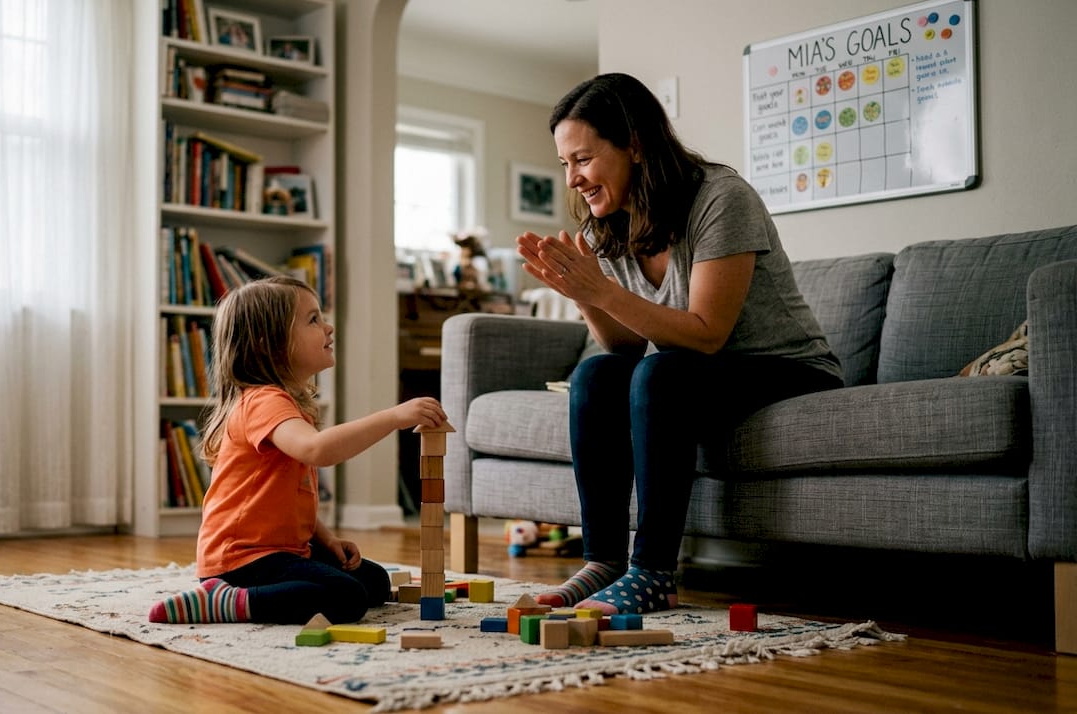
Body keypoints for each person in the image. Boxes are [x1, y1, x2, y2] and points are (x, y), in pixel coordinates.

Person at [516, 73, 843, 616]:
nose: (573, 178)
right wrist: (582, 294)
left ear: (636, 145)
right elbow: (622, 346)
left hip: (787, 367)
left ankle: (653, 572)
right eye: (565, 164)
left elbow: (707, 333)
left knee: (661, 374)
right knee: (595, 375)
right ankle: (605, 561)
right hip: (697, 373)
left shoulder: (721, 198)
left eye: (584, 159)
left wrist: (599, 287)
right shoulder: (612, 220)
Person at [149, 276, 448, 625]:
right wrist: (393, 417)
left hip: (280, 550)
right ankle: (228, 600)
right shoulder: (263, 401)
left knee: (374, 583)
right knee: (346, 598)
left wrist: (326, 539)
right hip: (242, 561)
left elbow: (290, 498)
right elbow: (317, 450)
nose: (329, 327)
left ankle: (269, 590)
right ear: (268, 346)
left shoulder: (283, 403)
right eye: (313, 320)